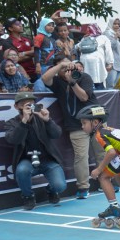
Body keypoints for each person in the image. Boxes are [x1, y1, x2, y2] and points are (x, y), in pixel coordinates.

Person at [77, 104, 120, 227]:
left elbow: (111, 152)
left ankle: (113, 207)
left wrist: (98, 170)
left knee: (103, 177)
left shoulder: (99, 134)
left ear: (94, 122)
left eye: (84, 123)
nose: (82, 126)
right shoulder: (109, 129)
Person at [42, 56, 102, 199]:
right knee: (81, 157)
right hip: (75, 124)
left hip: (95, 121)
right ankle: (83, 187)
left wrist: (73, 82)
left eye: (70, 65)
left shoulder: (84, 77)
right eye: (64, 67)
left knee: (102, 153)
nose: (68, 68)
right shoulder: (57, 82)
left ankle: (107, 180)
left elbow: (84, 98)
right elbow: (45, 78)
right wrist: (61, 65)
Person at [4, 91, 67, 210]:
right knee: (22, 170)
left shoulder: (41, 118)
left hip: (47, 159)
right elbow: (13, 140)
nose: (28, 106)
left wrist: (48, 121)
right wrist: (24, 122)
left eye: (31, 103)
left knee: (60, 186)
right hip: (26, 160)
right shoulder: (11, 123)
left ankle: (51, 190)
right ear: (16, 107)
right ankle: (28, 196)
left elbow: (57, 134)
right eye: (24, 104)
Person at [77, 24, 114, 90]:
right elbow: (108, 51)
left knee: (86, 85)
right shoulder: (103, 37)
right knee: (99, 84)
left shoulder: (85, 38)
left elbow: (77, 47)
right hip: (97, 64)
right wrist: (110, 63)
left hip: (84, 64)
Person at [31, 16, 57, 92]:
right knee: (42, 81)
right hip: (42, 65)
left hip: (51, 65)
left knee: (50, 82)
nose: (51, 27)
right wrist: (37, 64)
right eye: (49, 25)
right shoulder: (39, 37)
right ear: (43, 25)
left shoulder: (51, 38)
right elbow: (36, 51)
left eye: (52, 26)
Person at [103, 17, 120, 89]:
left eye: (118, 24)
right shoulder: (107, 33)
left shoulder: (118, 34)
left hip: (119, 64)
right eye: (115, 24)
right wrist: (115, 37)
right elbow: (110, 47)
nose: (117, 26)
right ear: (111, 24)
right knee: (110, 86)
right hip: (112, 65)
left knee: (116, 87)